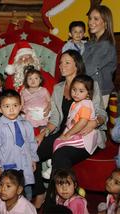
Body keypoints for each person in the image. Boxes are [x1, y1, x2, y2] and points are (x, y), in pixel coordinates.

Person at [33, 50, 107, 209]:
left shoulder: (89, 84)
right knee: (33, 150)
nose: (61, 65)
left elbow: (101, 113)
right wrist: (43, 133)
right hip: (63, 132)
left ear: (77, 65)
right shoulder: (58, 88)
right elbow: (54, 120)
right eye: (60, 62)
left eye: (67, 62)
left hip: (86, 135)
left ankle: (55, 206)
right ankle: (40, 192)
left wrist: (95, 123)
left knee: (61, 155)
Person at [0, 89, 39, 200]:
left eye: (15, 105)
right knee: (9, 194)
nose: (11, 109)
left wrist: (33, 159)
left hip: (25, 164)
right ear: (0, 109)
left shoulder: (27, 124)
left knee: (27, 192)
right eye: (6, 106)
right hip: (8, 165)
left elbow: (32, 143)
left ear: (20, 106)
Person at [83, 5, 117, 108]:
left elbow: (88, 68)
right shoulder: (90, 43)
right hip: (88, 89)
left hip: (99, 91)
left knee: (95, 122)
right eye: (90, 18)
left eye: (96, 19)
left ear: (105, 23)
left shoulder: (105, 45)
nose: (90, 22)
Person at [20, 66, 51, 139]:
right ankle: (28, 135)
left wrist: (48, 109)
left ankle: (43, 132)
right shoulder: (24, 92)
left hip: (41, 111)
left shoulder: (44, 90)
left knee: (43, 124)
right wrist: (20, 111)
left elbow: (50, 101)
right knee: (26, 125)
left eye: (36, 78)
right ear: (26, 81)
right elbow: (21, 104)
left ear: (40, 80)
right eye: (30, 78)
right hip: (29, 112)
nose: (33, 81)